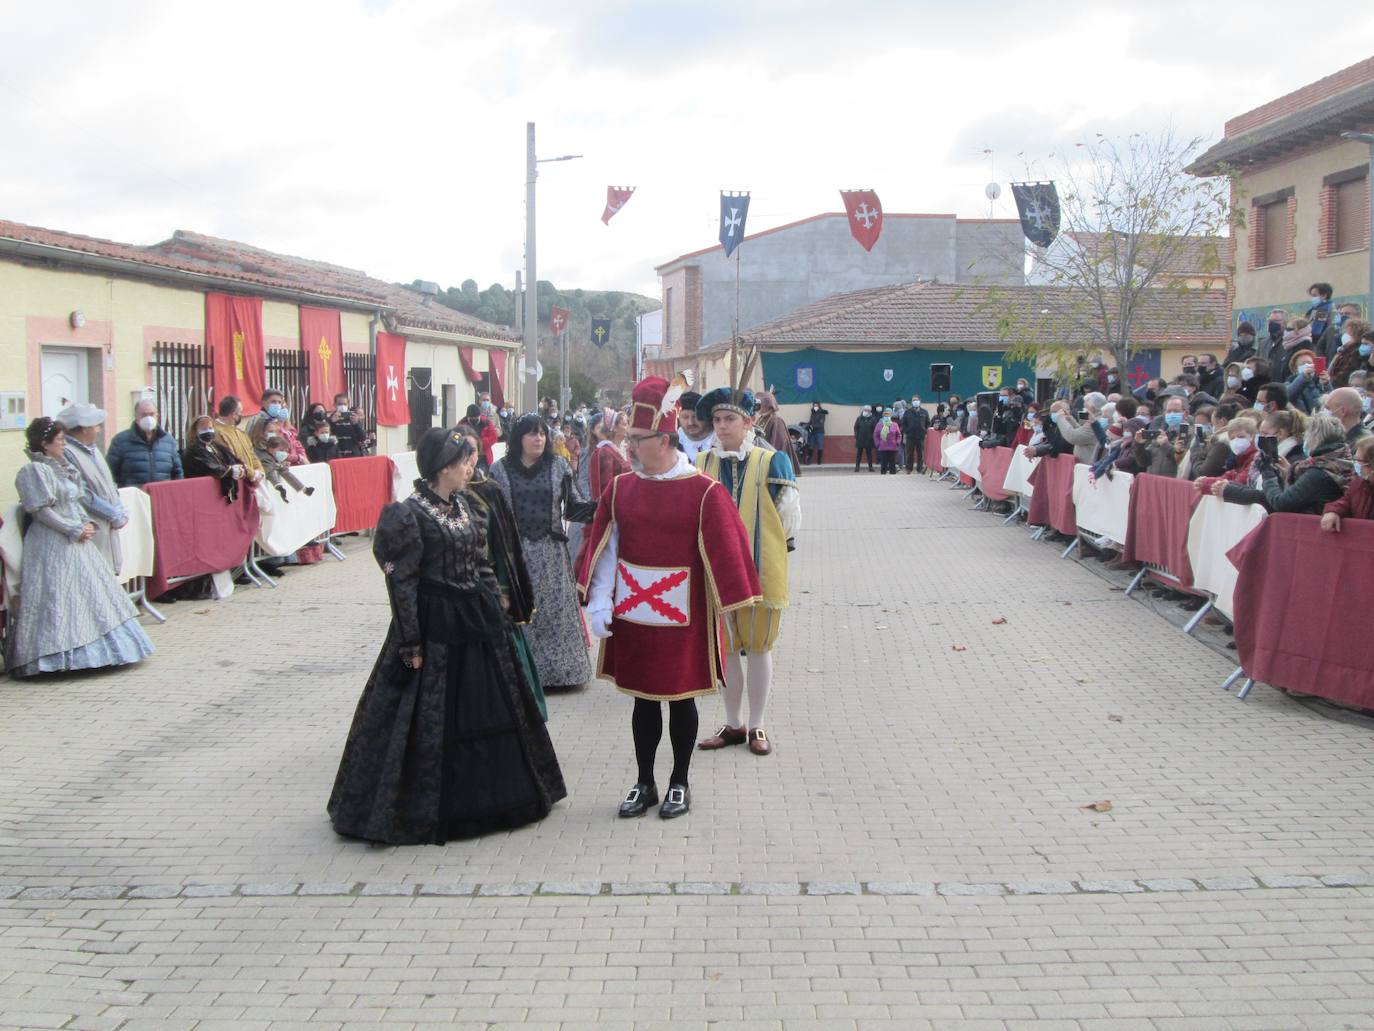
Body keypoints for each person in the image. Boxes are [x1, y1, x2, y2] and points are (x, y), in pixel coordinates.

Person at [328, 428, 565, 844]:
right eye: (462, 462)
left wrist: (497, 603)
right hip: (432, 623)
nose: (469, 467)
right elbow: (401, 584)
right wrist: (410, 645)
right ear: (442, 468)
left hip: (476, 620)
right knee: (424, 712)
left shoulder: (466, 505)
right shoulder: (408, 514)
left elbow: (480, 562)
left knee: (494, 702)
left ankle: (495, 795)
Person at [578, 376, 761, 819]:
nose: (629, 448)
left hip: (687, 617)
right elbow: (606, 547)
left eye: (637, 440)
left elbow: (729, 555)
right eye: (629, 439)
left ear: (663, 440)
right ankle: (645, 782)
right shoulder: (622, 488)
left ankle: (680, 781)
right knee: (643, 700)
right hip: (636, 614)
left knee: (682, 700)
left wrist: (732, 613)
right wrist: (600, 602)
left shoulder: (704, 492)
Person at [693, 386, 800, 758]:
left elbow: (788, 516)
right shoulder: (702, 463)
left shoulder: (772, 462)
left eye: (730, 419)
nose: (721, 427)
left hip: (761, 569)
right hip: (717, 573)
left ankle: (757, 723)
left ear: (749, 422)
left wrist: (766, 549)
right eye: (717, 420)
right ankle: (733, 722)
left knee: (758, 647)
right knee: (726, 649)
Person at [6, 417, 154, 677]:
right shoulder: (34, 472)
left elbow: (75, 502)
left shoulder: (61, 468)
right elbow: (42, 512)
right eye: (60, 440)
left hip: (75, 541)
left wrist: (85, 523)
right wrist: (73, 529)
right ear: (45, 443)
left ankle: (103, 651)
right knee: (58, 598)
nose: (64, 445)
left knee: (89, 596)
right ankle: (53, 657)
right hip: (51, 543)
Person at [489, 415, 595, 691]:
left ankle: (562, 675)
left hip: (551, 553)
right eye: (531, 434)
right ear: (518, 438)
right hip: (516, 556)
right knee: (520, 612)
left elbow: (573, 507)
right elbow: (492, 515)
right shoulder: (499, 470)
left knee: (554, 613)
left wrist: (603, 507)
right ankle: (521, 674)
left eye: (542, 434)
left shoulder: (558, 466)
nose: (538, 439)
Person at [457, 425, 547, 721]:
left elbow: (503, 545)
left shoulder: (489, 491)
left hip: (489, 589)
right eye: (460, 455)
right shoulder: (440, 494)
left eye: (471, 454)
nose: (467, 463)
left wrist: (505, 589)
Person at [1217, 414, 1352, 514]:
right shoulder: (1338, 461)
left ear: (1315, 437)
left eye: (1307, 435)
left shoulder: (1320, 471)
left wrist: (1268, 474)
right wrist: (1287, 474)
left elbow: (1280, 502)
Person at [56, 403, 127, 574]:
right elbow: (82, 493)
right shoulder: (68, 453)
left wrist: (119, 508)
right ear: (83, 428)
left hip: (107, 527)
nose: (99, 429)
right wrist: (112, 513)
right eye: (95, 425)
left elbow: (108, 484)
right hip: (92, 527)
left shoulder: (93, 451)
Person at [106, 399, 184, 488]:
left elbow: (177, 473)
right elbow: (109, 473)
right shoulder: (120, 441)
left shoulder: (168, 441)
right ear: (136, 417)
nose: (148, 418)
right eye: (143, 415)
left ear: (157, 416)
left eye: (151, 414)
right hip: (134, 498)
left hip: (161, 497)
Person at [181, 414, 247, 502]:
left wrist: (240, 468)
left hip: (222, 494)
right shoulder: (194, 449)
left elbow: (232, 459)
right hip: (202, 494)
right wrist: (230, 471)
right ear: (195, 431)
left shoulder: (217, 446)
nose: (208, 431)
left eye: (210, 428)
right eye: (204, 429)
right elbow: (210, 466)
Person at [1321, 437, 1374, 532]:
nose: (1356, 464)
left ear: (1371, 463)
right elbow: (1346, 501)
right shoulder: (1360, 483)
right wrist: (1333, 511)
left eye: (1359, 460)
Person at [213, 396, 266, 479]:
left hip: (250, 478)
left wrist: (259, 471)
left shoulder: (239, 432)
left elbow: (251, 454)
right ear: (234, 414)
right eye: (240, 412)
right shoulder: (217, 433)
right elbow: (231, 458)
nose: (241, 415)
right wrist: (252, 474)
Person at [754, 391, 802, 474]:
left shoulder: (776, 420)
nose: (758, 408)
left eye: (760, 405)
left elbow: (779, 443)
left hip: (770, 459)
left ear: (767, 406)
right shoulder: (761, 418)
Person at [1327, 321, 1371, 387]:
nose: (1345, 335)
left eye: (1349, 333)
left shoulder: (1355, 352)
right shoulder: (1343, 350)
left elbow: (1346, 374)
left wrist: (1329, 380)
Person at [460, 403, 500, 472]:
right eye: (472, 419)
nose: (474, 420)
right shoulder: (462, 425)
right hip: (467, 456)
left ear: (479, 416)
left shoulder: (486, 423)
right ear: (468, 417)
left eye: (476, 418)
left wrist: (478, 444)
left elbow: (493, 437)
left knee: (482, 475)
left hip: (483, 457)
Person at [675, 392, 716, 459]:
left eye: (696, 417)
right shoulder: (673, 443)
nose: (691, 423)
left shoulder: (721, 439)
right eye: (685, 417)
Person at [328, 393, 370, 458]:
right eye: (339, 404)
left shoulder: (353, 417)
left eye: (345, 404)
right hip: (337, 454)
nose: (342, 406)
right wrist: (331, 422)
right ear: (334, 405)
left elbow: (362, 437)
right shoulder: (330, 418)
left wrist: (356, 424)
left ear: (348, 404)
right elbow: (326, 436)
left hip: (353, 454)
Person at [1285, 349, 1323, 414]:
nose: (1307, 366)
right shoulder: (1288, 384)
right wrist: (1304, 377)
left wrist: (1327, 384)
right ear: (1295, 369)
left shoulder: (1318, 383)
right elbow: (1288, 394)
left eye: (1310, 363)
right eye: (1303, 364)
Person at [901, 398, 929, 473]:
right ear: (911, 402)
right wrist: (907, 431)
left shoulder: (924, 412)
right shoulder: (907, 412)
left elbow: (928, 423)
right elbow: (904, 423)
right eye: (913, 400)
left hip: (921, 436)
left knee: (920, 453)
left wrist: (925, 431)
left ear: (920, 401)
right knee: (909, 453)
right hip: (910, 436)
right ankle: (909, 468)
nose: (915, 401)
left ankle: (920, 468)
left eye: (916, 400)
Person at [874, 409, 902, 473]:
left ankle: (892, 476)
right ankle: (883, 476)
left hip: (893, 446)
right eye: (885, 416)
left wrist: (897, 442)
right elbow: (875, 435)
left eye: (888, 415)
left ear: (891, 416)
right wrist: (878, 444)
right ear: (883, 417)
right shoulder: (879, 425)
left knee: (892, 462)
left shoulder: (895, 424)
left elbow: (899, 435)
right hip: (883, 446)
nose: (887, 417)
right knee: (884, 463)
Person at [853, 405, 877, 471]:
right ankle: (857, 467)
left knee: (869, 454)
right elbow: (856, 427)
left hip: (869, 439)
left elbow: (875, 429)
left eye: (867, 410)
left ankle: (870, 467)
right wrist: (856, 436)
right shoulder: (859, 418)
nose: (866, 411)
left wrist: (872, 437)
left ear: (870, 411)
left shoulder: (873, 419)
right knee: (859, 454)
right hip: (860, 439)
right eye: (865, 410)